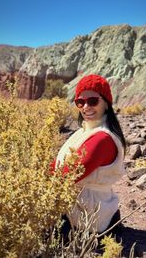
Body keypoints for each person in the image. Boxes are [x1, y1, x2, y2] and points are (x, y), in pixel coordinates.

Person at [51, 74, 126, 243]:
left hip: (87, 212)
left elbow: (67, 174)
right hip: (89, 204)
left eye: (93, 101)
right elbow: (60, 167)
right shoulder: (86, 131)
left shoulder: (102, 139)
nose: (86, 107)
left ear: (106, 103)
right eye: (80, 102)